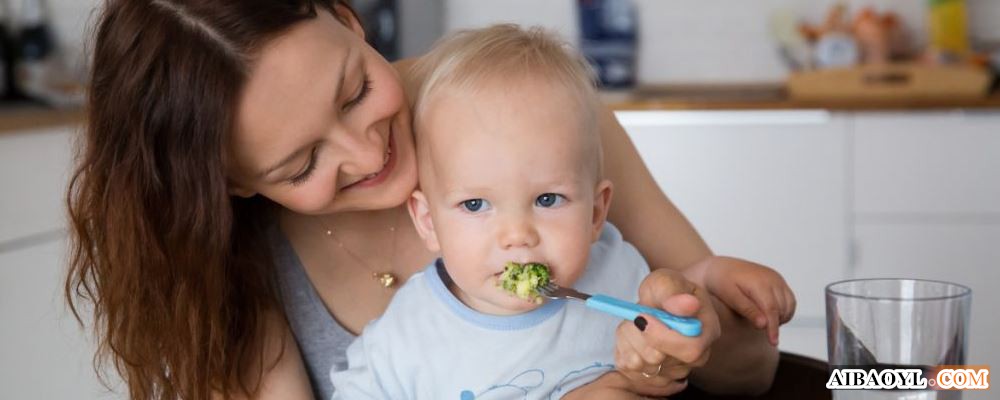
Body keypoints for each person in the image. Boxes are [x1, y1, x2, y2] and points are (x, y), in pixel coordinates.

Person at [65, 1, 792, 399]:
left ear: (347, 18)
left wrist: (681, 348)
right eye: (303, 162)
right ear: (233, 184)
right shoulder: (234, 260)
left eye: (353, 92)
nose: (366, 153)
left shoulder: (528, 113)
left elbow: (752, 371)